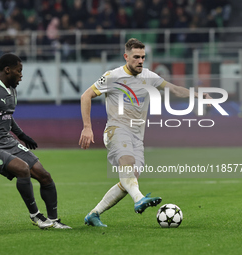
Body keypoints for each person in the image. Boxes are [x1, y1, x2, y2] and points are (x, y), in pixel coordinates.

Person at [79, 38, 212, 227]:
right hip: (116, 129)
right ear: (126, 57)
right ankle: (139, 199)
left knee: (129, 180)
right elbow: (86, 95)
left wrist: (197, 95)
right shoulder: (112, 76)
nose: (140, 61)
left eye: (143, 57)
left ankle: (94, 214)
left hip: (137, 136)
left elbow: (173, 89)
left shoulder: (148, 76)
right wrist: (87, 127)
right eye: (136, 57)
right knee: (127, 164)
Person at [0, 53, 71, 229]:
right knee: (22, 169)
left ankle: (54, 220)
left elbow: (6, 115)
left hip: (8, 141)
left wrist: (21, 135)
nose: (21, 75)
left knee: (44, 175)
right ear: (7, 70)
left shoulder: (12, 89)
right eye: (19, 71)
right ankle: (36, 216)